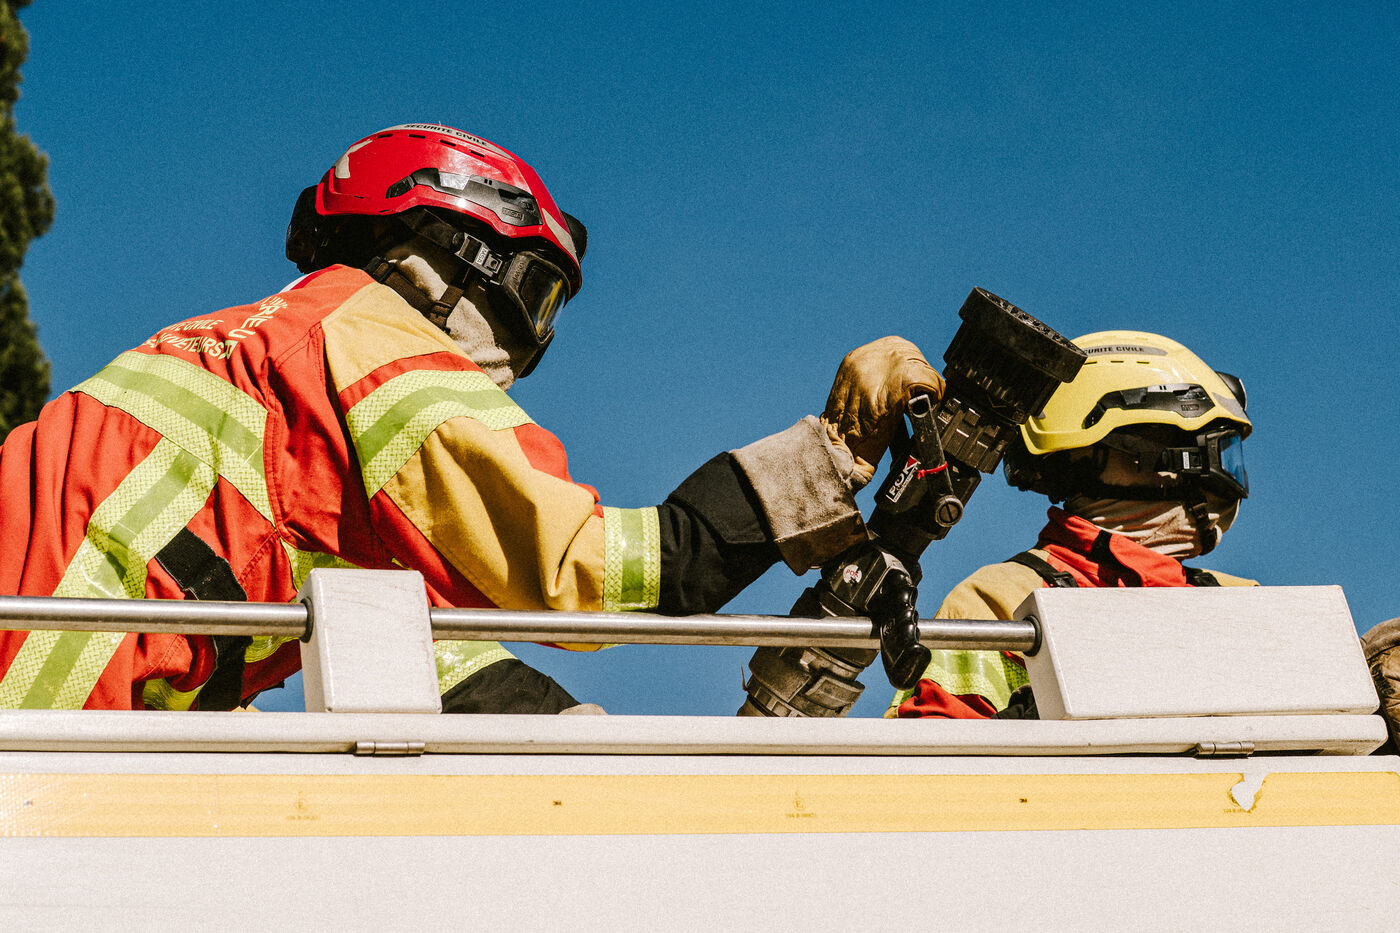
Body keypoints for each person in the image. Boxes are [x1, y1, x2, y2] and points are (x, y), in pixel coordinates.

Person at [0, 122, 942, 713]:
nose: (528, 349)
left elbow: (425, 659)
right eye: (534, 294)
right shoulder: (371, 337)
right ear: (447, 252)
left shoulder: (231, 359)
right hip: (45, 746)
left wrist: (576, 746)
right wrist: (835, 451)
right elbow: (596, 575)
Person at [887, 330, 1254, 719]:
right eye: (1210, 451)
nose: (1222, 482)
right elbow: (930, 750)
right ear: (1106, 455)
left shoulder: (1244, 600)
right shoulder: (998, 599)